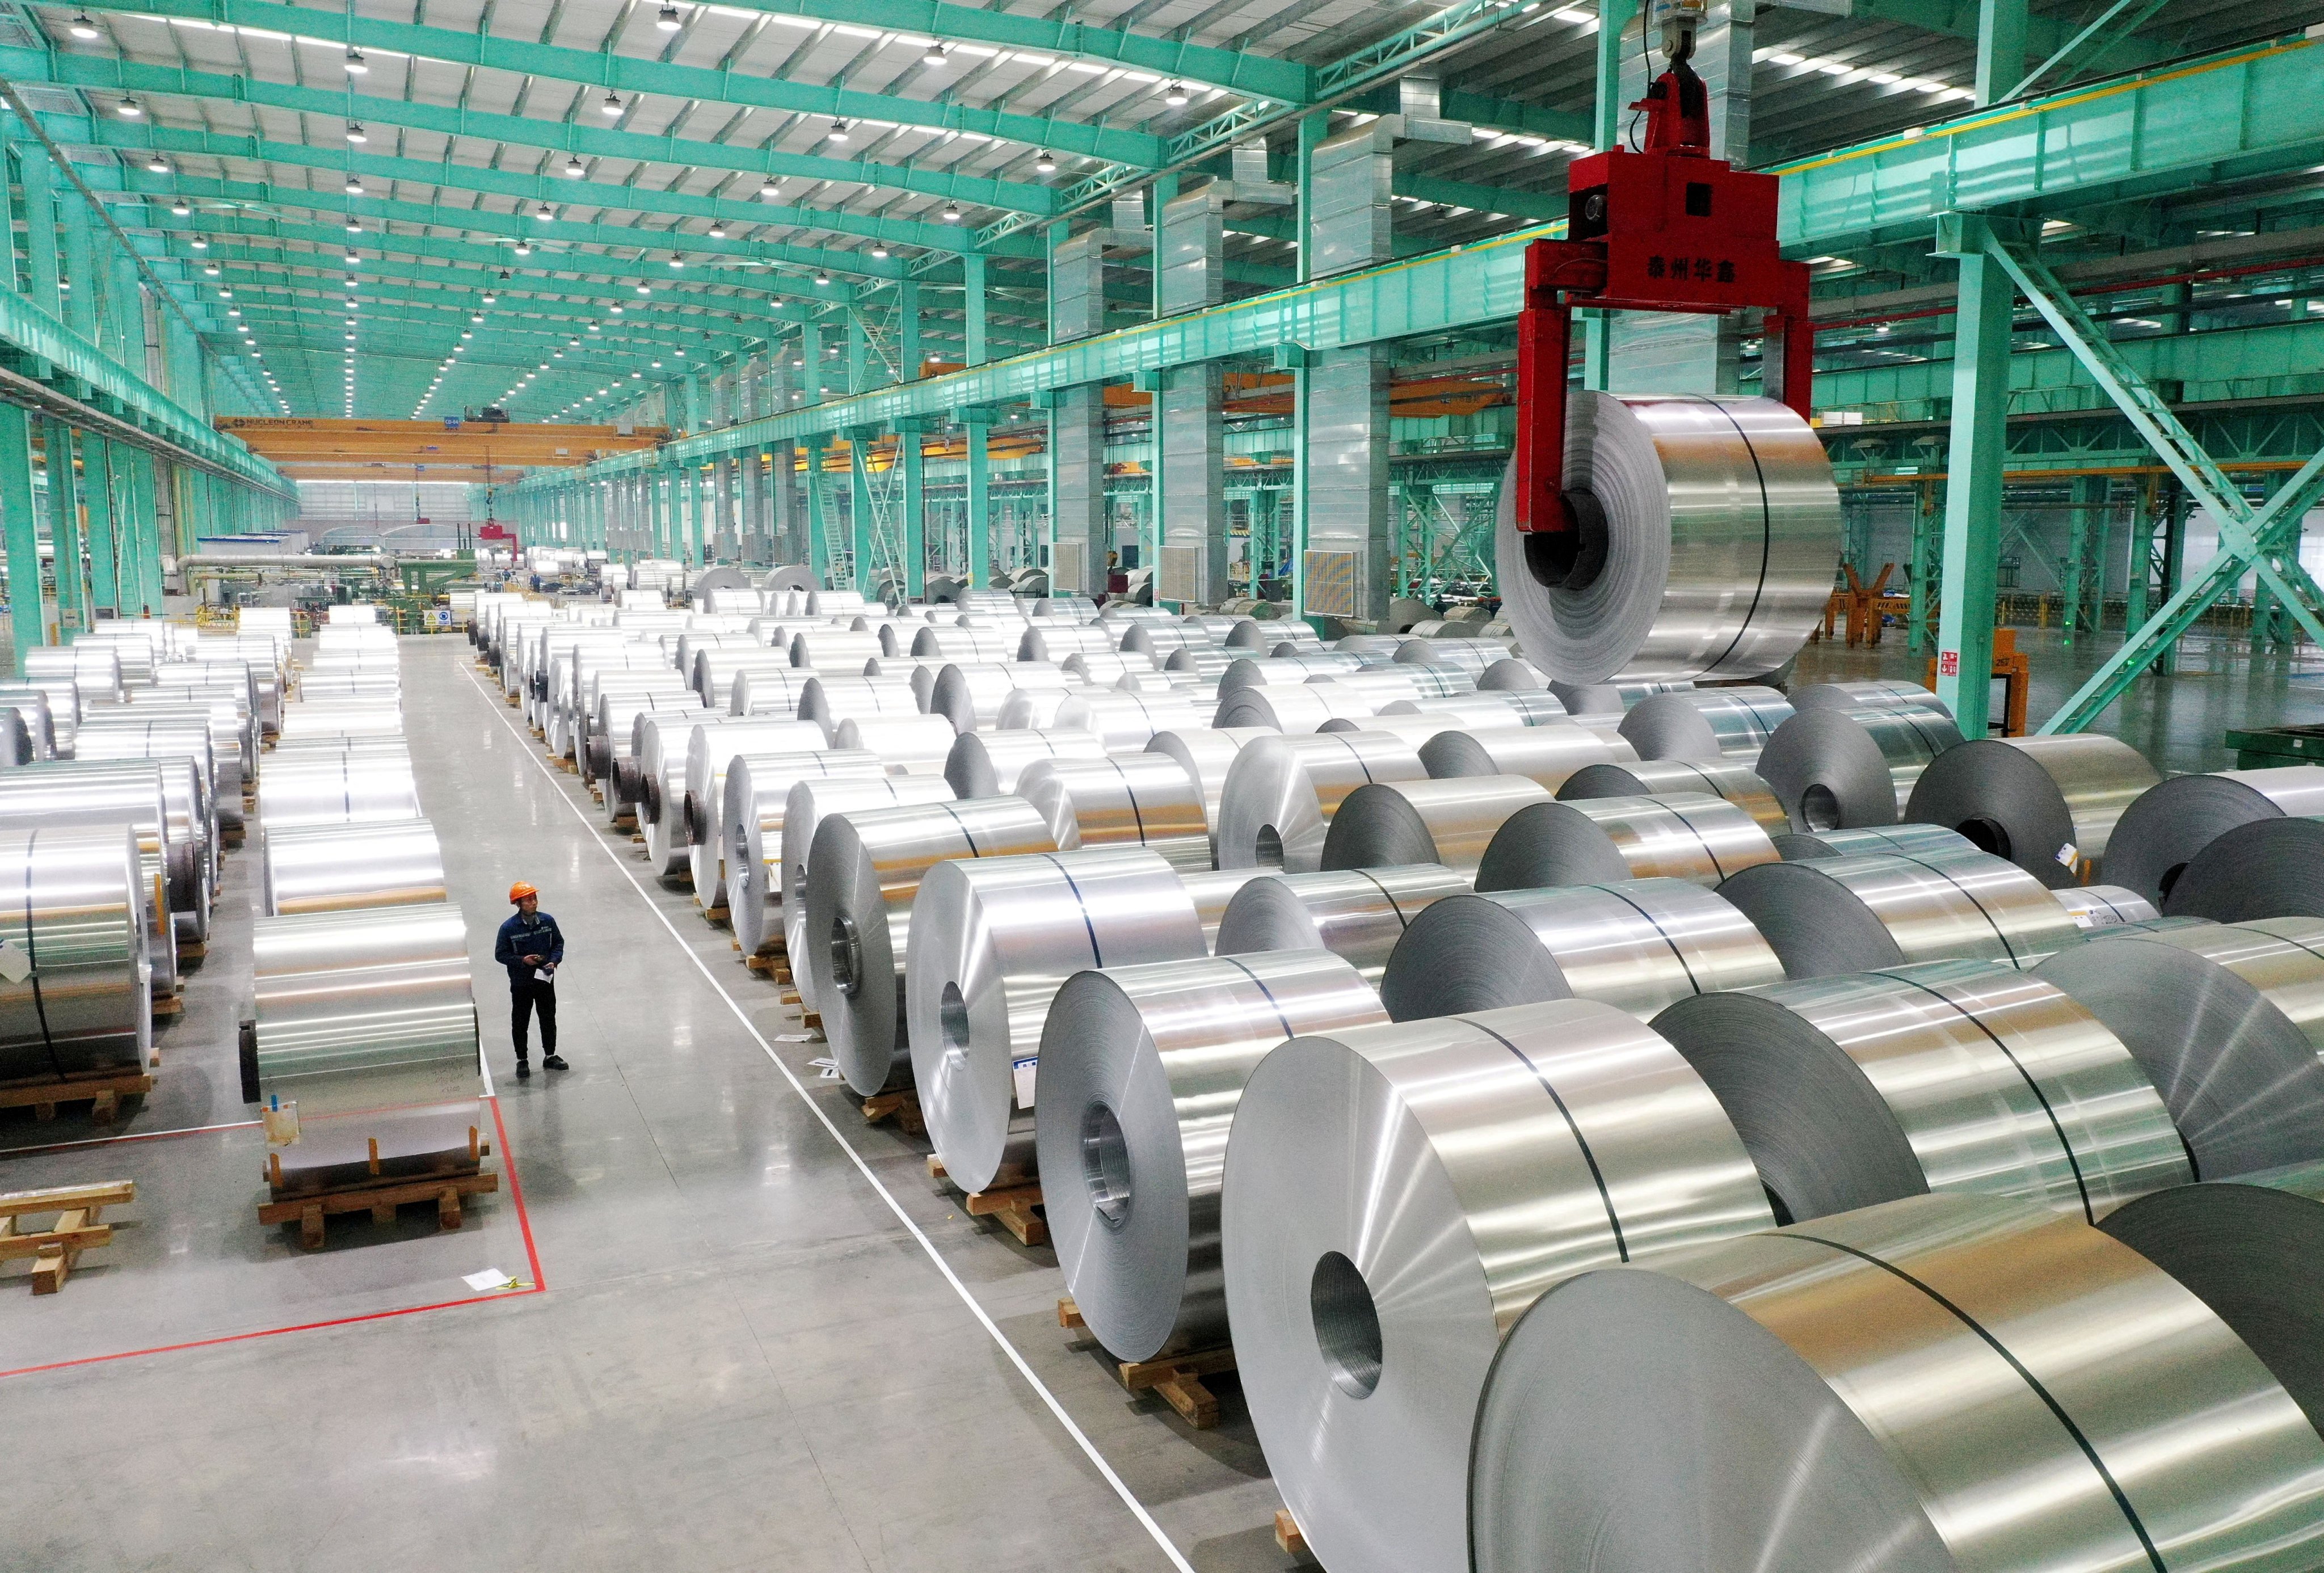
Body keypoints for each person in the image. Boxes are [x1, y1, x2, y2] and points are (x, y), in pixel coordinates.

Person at [494, 882, 567, 1078]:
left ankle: (550, 1055)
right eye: (528, 900)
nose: (533, 902)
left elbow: (558, 943)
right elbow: (501, 955)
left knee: (548, 1018)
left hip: (544, 981)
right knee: (520, 1021)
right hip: (521, 983)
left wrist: (554, 960)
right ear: (518, 903)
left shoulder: (547, 922)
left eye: (534, 898)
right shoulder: (508, 928)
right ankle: (522, 1060)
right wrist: (521, 961)